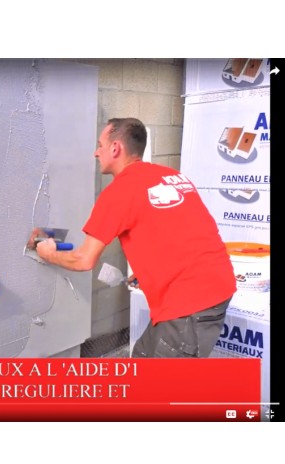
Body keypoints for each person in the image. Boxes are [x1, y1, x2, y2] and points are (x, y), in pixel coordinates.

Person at [35, 117, 237, 358]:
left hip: (190, 304)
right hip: (215, 284)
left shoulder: (120, 191)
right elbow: (179, 229)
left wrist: (47, 253)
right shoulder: (171, 176)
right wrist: (152, 270)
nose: (96, 153)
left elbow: (83, 260)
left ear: (115, 148)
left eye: (100, 145)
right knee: (141, 356)